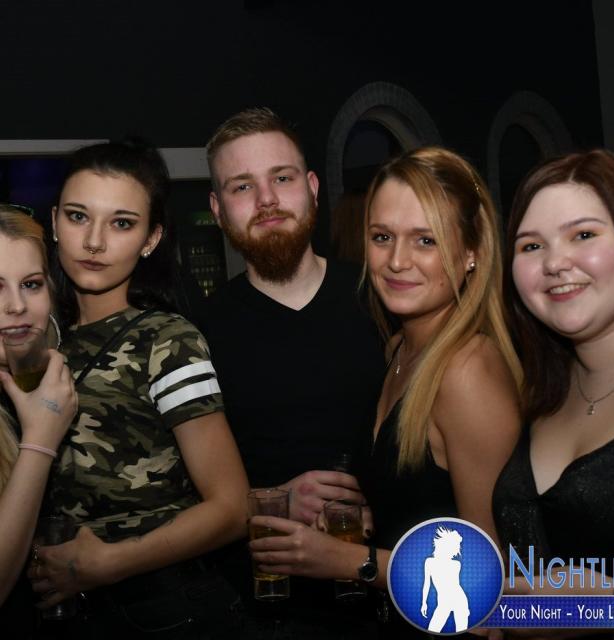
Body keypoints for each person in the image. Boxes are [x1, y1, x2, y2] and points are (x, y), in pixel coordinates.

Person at [249, 147, 522, 637]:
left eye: (426, 240)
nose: (396, 261)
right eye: (382, 237)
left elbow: (491, 584)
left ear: (472, 252)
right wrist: (374, 519)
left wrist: (349, 560)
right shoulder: (399, 348)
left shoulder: (467, 370)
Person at [30, 141, 250, 638]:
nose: (94, 241)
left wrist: (109, 563)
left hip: (160, 608)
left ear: (151, 239)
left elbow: (233, 508)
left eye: (122, 223)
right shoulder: (39, 339)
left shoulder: (166, 340)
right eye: (78, 216)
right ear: (54, 221)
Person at [204, 108, 385, 636]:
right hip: (259, 616)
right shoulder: (195, 335)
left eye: (281, 178)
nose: (266, 200)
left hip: (392, 601)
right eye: (242, 186)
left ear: (312, 188)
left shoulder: (381, 302)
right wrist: (274, 500)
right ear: (217, 209)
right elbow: (179, 495)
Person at [493, 149, 614, 604]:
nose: (555, 262)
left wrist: (611, 606)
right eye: (531, 246)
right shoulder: (537, 393)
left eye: (583, 235)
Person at [0, 205, 76, 629]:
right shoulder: (47, 408)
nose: (16, 306)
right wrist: (41, 440)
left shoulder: (51, 385)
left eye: (31, 284)